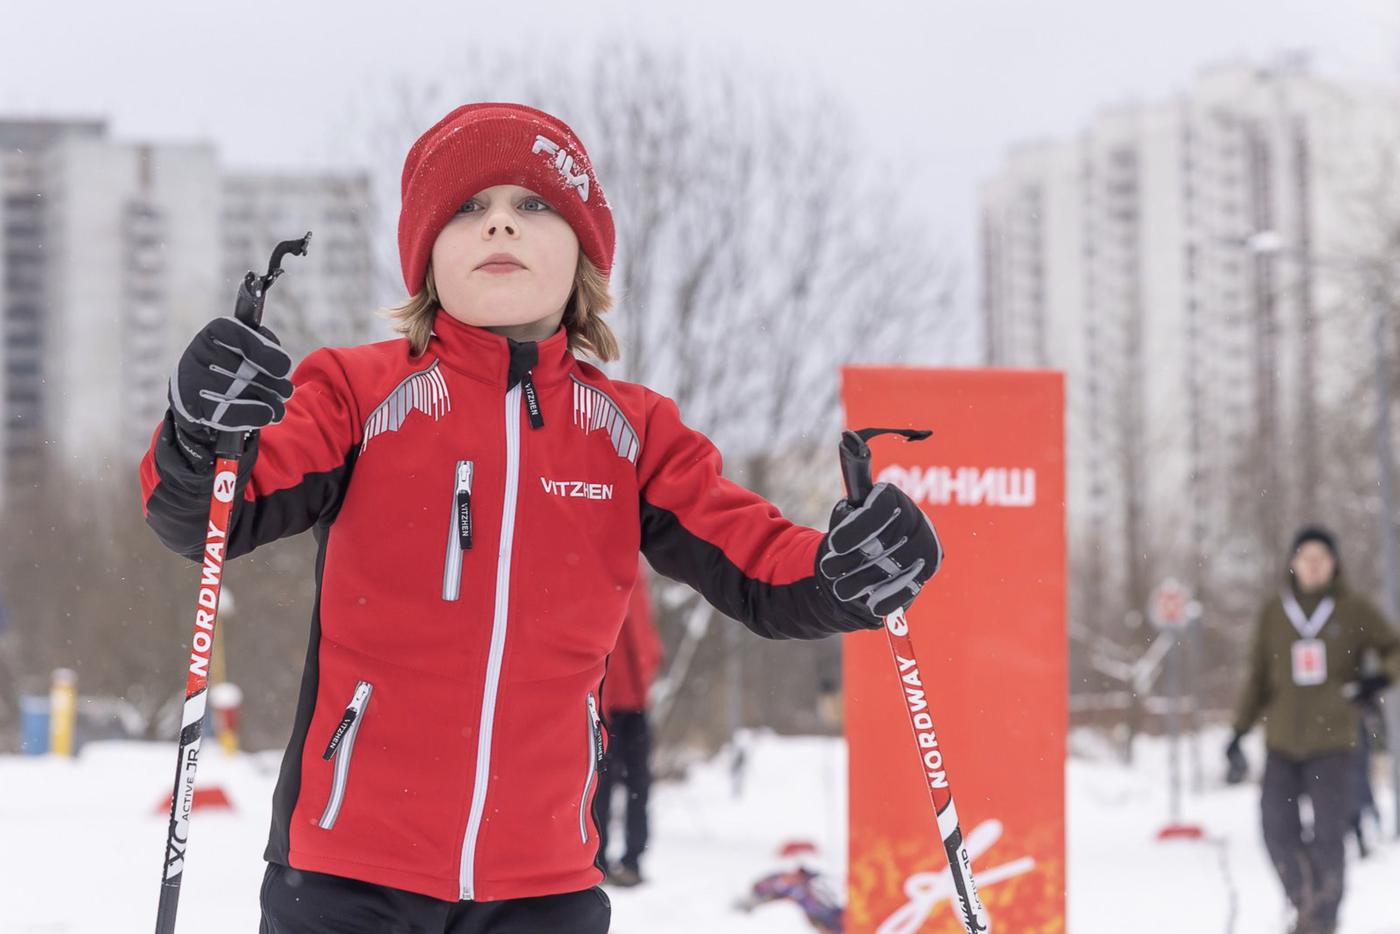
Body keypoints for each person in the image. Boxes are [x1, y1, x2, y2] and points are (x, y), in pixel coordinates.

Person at [139, 102, 943, 934]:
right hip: (347, 875)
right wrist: (199, 437)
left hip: (543, 886)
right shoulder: (356, 393)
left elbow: (758, 566)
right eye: (467, 208)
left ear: (584, 253)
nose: (500, 225)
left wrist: (847, 571)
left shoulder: (632, 433)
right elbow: (210, 517)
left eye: (533, 204)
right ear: (427, 257)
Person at [1226, 525, 1400, 934]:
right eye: (1307, 558)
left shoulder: (1353, 608)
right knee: (1276, 826)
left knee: (1328, 833)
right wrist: (1238, 731)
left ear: (1334, 564)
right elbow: (1257, 677)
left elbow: (1394, 648)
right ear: (1294, 562)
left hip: (1333, 741)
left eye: (1322, 558)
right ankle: (1304, 901)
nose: (1314, 566)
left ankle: (1323, 918)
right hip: (1283, 740)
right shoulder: (1274, 612)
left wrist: (1378, 679)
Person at [596, 561, 662, 888]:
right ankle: (599, 860)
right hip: (602, 704)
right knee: (600, 788)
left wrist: (646, 678)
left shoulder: (635, 573)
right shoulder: (597, 573)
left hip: (634, 703)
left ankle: (632, 861)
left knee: (638, 786)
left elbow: (644, 635)